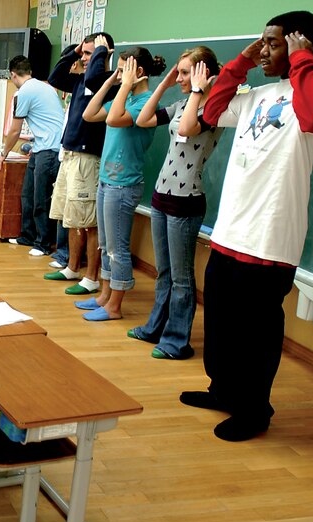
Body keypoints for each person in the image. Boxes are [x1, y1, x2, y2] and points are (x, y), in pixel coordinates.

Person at [180, 11, 313, 442]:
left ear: (304, 49)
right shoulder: (259, 93)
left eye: (275, 44)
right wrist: (241, 62)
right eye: (264, 42)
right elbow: (213, 110)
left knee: (256, 334)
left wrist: (302, 61)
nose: (266, 50)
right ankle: (224, 391)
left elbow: (311, 120)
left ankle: (254, 410)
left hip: (271, 238)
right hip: (230, 231)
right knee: (220, 322)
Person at [127, 47, 225, 360]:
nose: (179, 77)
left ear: (202, 74)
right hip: (161, 196)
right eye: (179, 72)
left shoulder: (215, 109)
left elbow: (186, 129)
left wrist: (197, 89)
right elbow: (143, 120)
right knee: (164, 272)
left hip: (186, 202)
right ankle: (155, 328)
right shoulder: (182, 102)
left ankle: (177, 341)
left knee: (182, 279)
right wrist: (165, 84)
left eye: (185, 73)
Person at [79, 47, 166, 321]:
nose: (120, 75)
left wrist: (126, 85)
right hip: (107, 181)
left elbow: (115, 120)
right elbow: (89, 114)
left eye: (124, 69)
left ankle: (114, 306)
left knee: (118, 248)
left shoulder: (146, 103)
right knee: (105, 245)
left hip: (124, 184)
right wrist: (112, 81)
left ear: (139, 72)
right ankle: (104, 296)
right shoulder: (124, 96)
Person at [45, 33, 115, 294]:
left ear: (104, 55)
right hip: (70, 155)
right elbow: (55, 78)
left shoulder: (108, 83)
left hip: (89, 158)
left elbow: (97, 78)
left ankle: (92, 278)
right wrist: (74, 53)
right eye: (83, 54)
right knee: (72, 218)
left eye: (89, 54)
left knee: (89, 221)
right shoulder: (79, 80)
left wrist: (99, 53)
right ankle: (72, 268)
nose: (84, 59)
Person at [0, 55, 65, 259]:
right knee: (28, 194)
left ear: (12, 75)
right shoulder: (45, 86)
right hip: (42, 147)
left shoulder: (23, 93)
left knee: (40, 199)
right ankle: (27, 235)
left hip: (50, 151)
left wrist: (3, 154)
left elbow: (15, 131)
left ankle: (43, 243)